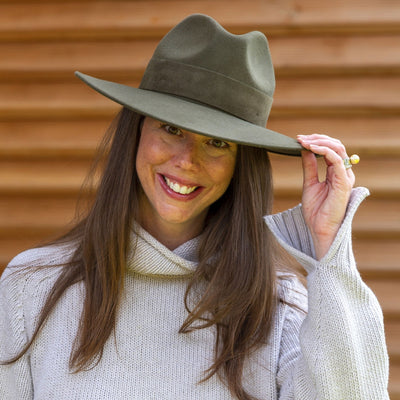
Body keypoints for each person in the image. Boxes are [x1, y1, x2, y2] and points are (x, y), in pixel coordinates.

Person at [0, 14, 389, 400]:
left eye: (217, 142)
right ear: (135, 131)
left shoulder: (277, 308)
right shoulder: (31, 288)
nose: (187, 160)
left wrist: (329, 248)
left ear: (242, 165)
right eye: (171, 129)